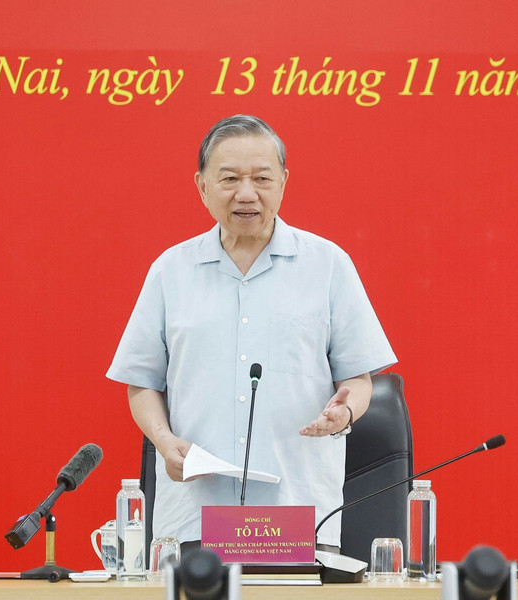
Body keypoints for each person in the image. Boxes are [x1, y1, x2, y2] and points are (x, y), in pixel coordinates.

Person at [107, 114, 396, 551]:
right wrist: (164, 443)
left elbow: (357, 379)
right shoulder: (171, 271)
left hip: (298, 514)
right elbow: (142, 383)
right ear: (202, 186)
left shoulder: (328, 265)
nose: (247, 194)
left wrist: (347, 411)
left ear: (283, 181)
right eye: (229, 179)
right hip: (193, 517)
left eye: (262, 178)